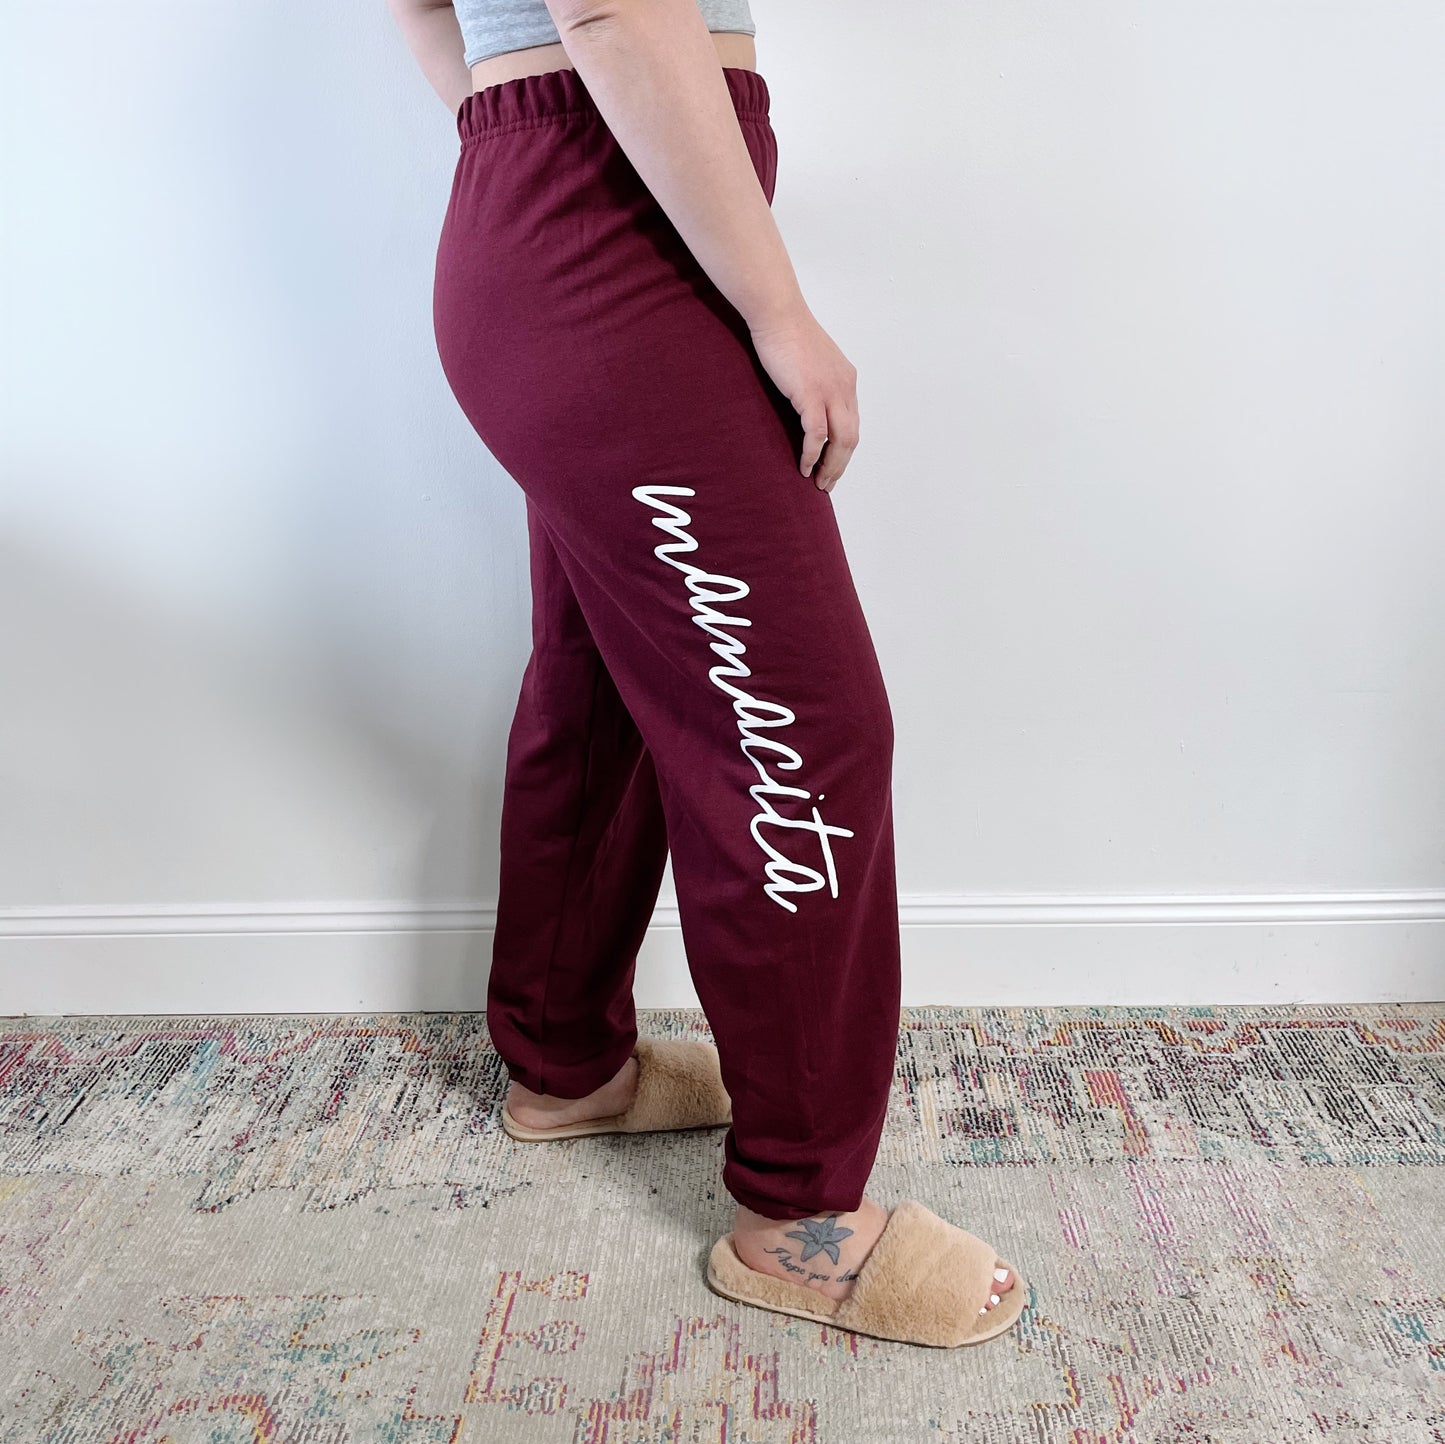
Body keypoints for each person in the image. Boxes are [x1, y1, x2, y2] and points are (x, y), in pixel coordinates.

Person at [387, 0, 1027, 1346]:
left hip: (543, 200)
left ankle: (567, 1067)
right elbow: (611, 8)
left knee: (604, 676)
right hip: (603, 231)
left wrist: (512, 128)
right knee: (795, 728)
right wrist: (779, 310)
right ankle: (802, 1222)